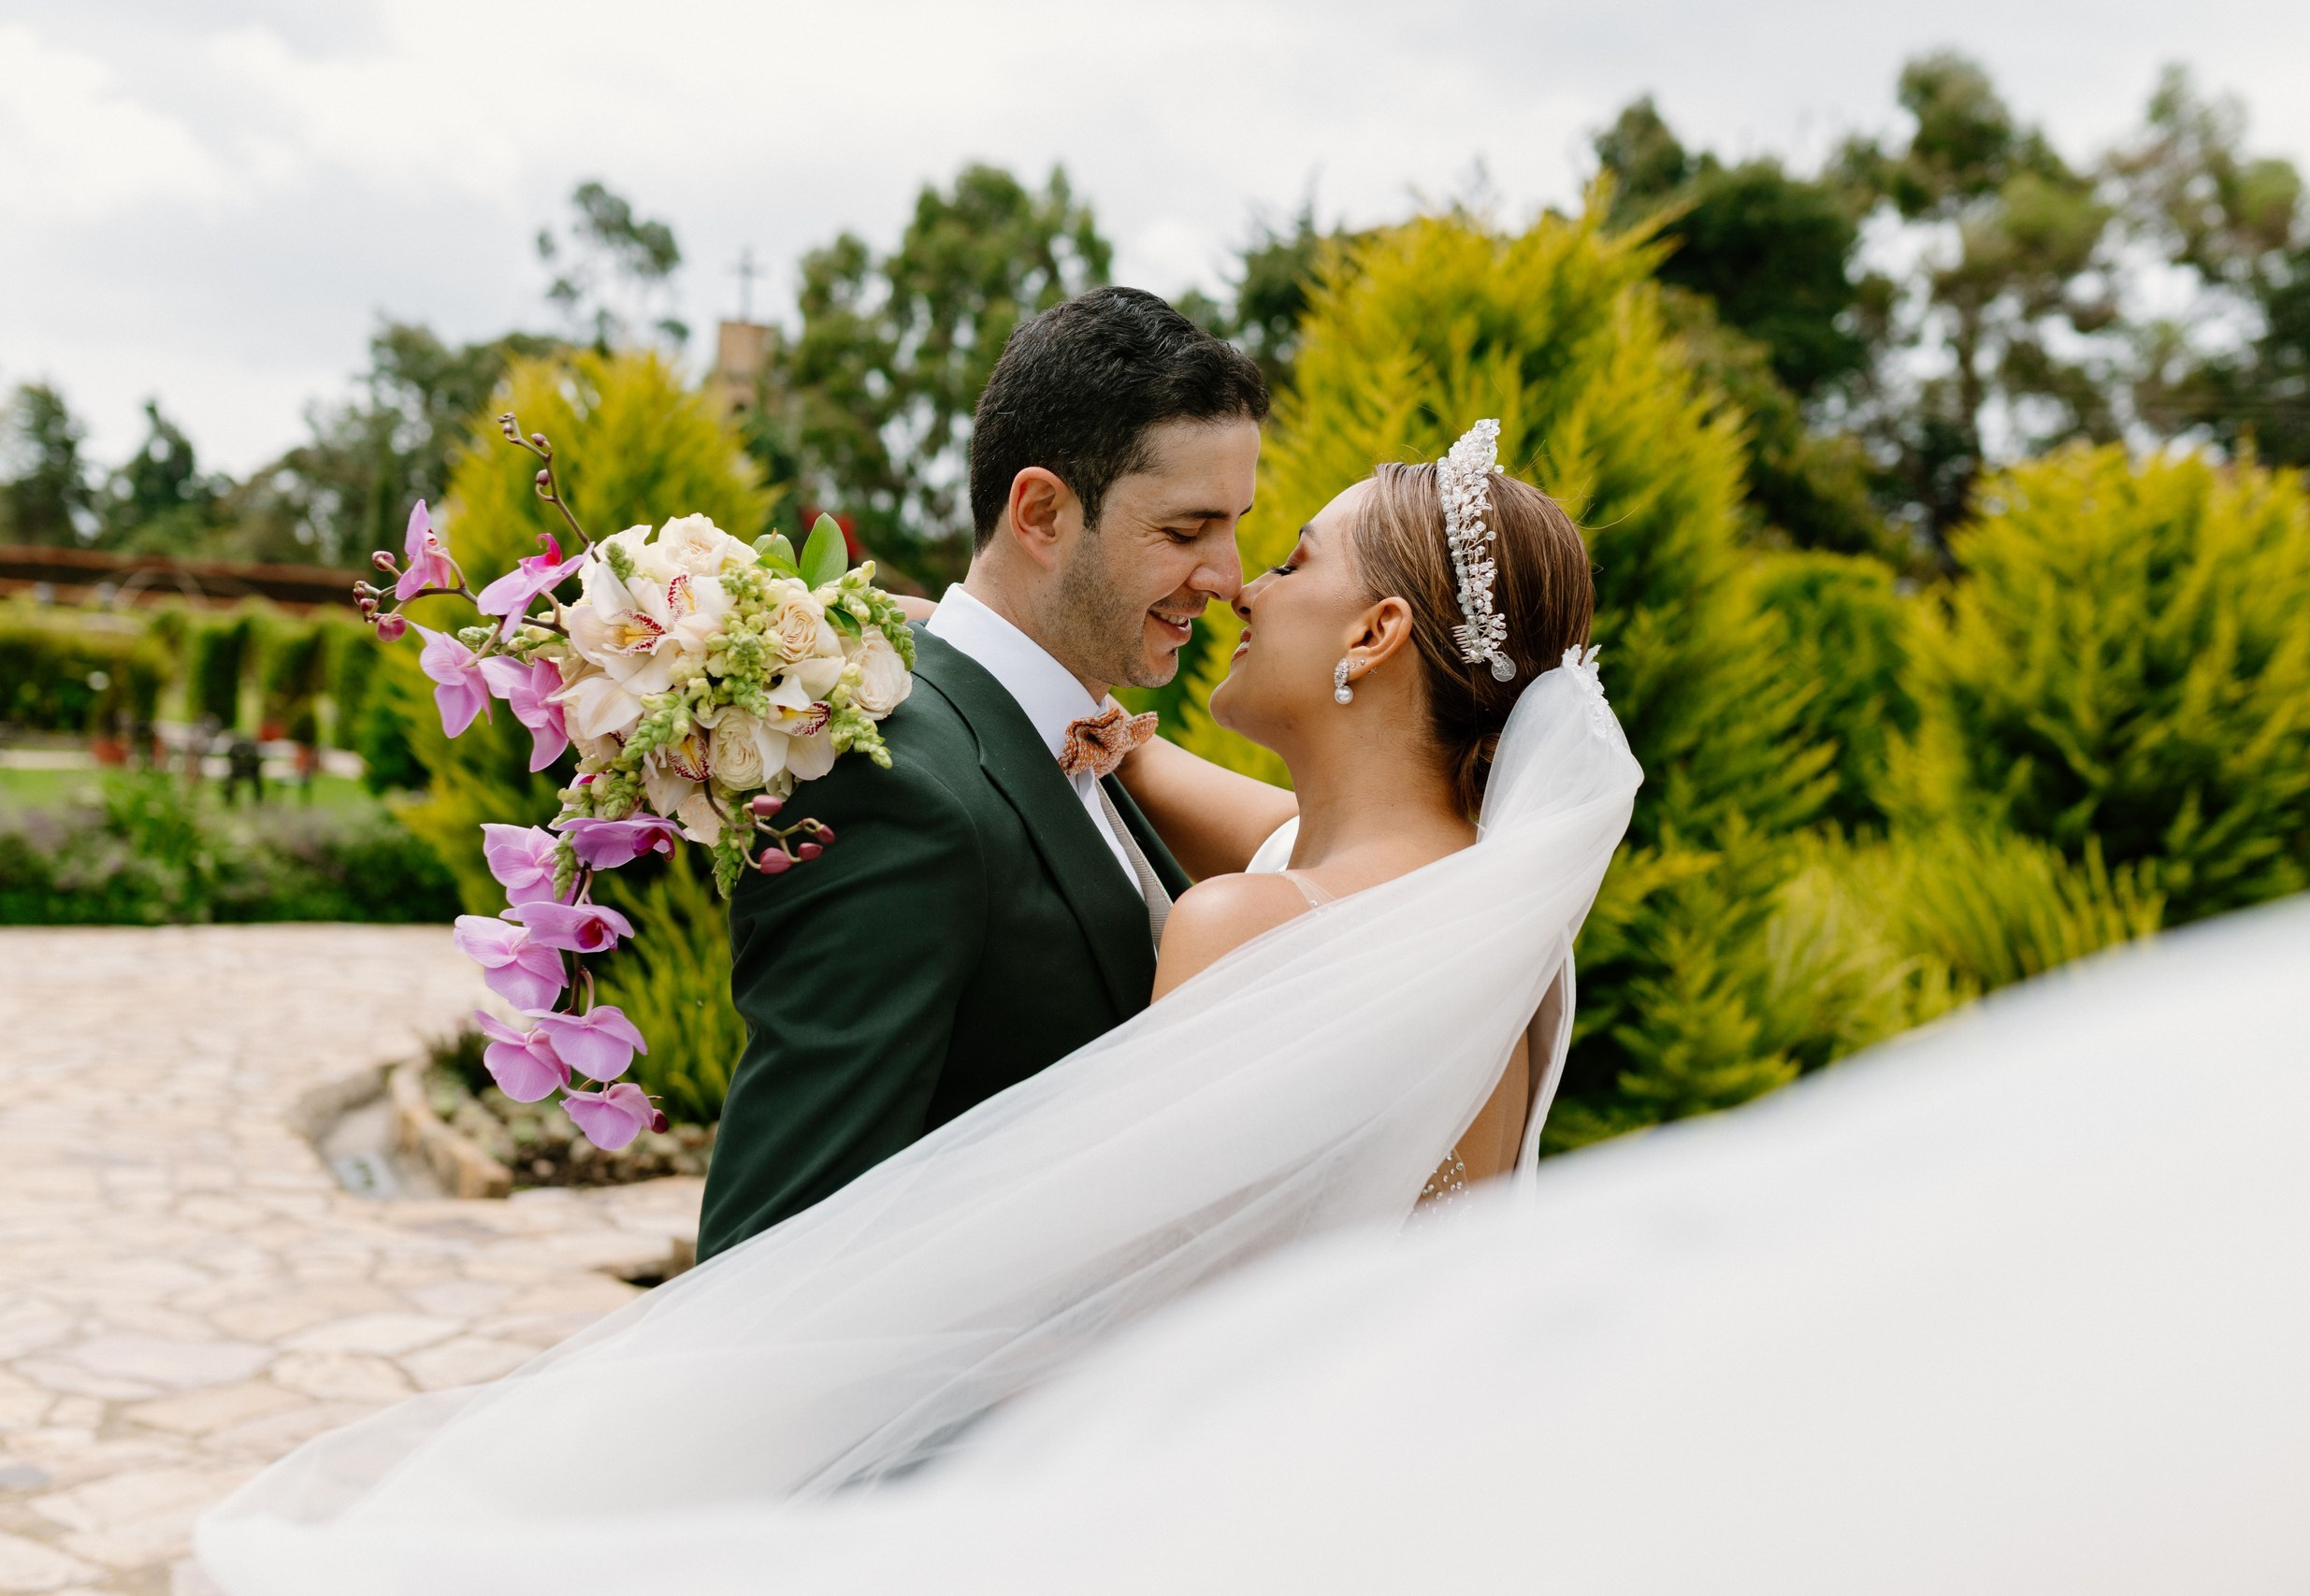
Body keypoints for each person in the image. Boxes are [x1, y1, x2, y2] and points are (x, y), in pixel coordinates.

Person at [195, 419, 1642, 1593]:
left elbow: (1115, 1311)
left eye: (1296, 557)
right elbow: (1287, 824)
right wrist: (1070, 725)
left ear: (1378, 628)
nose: (1244, 585)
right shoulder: (1491, 909)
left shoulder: (1247, 923)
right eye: (1210, 538)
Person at [698, 286, 1269, 1258]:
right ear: (1042, 513)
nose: (1228, 575)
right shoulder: (897, 789)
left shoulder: (1077, 735)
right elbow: (775, 1249)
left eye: (1235, 525)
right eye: (1185, 532)